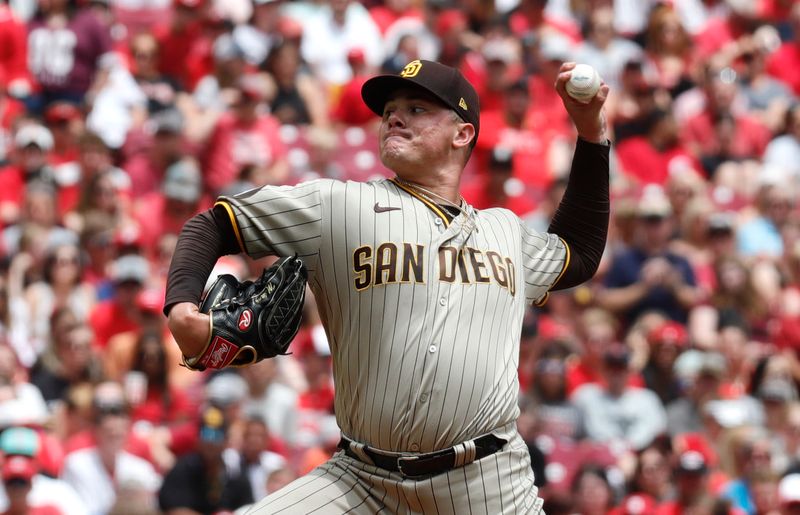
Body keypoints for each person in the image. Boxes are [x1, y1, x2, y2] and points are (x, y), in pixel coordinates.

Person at [165, 59, 610, 512]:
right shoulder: (340, 205)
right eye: (390, 110)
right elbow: (214, 223)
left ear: (462, 134)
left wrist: (591, 134)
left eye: (417, 109)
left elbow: (579, 253)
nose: (394, 116)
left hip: (487, 485)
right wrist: (181, 307)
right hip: (361, 481)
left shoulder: (506, 231)